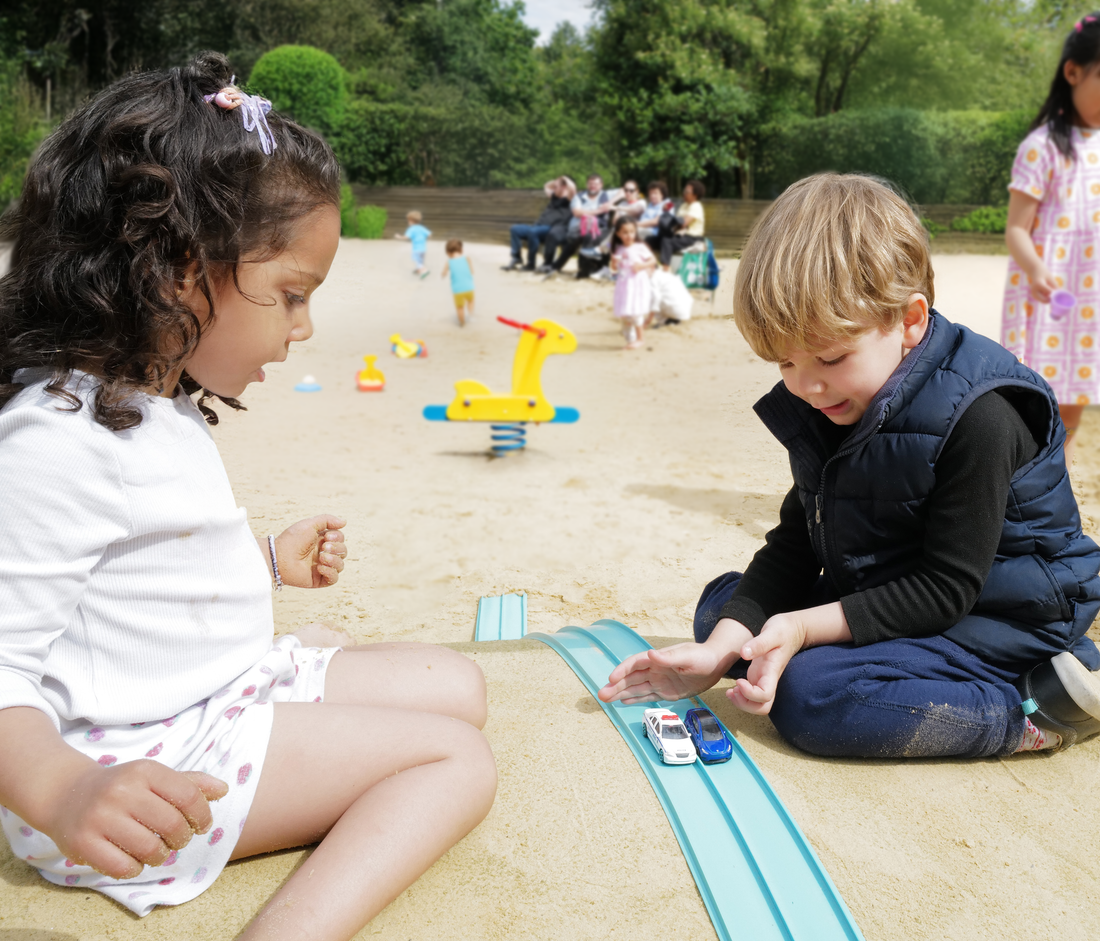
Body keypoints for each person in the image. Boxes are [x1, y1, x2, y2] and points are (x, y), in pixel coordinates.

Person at [0, 53, 496, 940]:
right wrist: (65, 789)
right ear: (180, 270)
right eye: (290, 295)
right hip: (137, 766)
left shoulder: (151, 397)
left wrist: (264, 562)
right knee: (455, 757)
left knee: (455, 683)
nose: (302, 329)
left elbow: (138, 574)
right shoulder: (56, 437)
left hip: (208, 691)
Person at [600, 173, 1100, 758]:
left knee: (813, 697)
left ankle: (1032, 712)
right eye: (785, 361)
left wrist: (803, 630)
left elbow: (946, 588)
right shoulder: (833, 400)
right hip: (887, 581)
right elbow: (795, 542)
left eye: (831, 356)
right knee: (722, 611)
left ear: (910, 320)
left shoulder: (982, 417)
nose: (806, 385)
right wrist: (719, 654)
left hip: (999, 618)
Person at [1002, 13, 1100, 464]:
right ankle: (1028, 478)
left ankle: (1053, 476)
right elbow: (1017, 229)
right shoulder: (1042, 147)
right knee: (1039, 398)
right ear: (1073, 72)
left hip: (1091, 298)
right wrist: (1038, 269)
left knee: (1079, 395)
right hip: (1048, 298)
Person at [543, 173, 614, 276]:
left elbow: (622, 191)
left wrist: (610, 203)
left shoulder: (607, 194)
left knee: (586, 237)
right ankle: (556, 266)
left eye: (596, 184)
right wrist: (598, 210)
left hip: (600, 229)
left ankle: (583, 270)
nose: (592, 186)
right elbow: (577, 212)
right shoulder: (579, 196)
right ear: (586, 184)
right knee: (575, 238)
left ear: (601, 185)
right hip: (578, 229)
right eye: (590, 184)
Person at [503, 176, 575, 272]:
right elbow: (546, 186)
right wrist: (556, 182)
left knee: (533, 232)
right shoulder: (554, 197)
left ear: (564, 187)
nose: (553, 188)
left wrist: (564, 178)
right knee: (515, 229)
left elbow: (573, 189)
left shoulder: (570, 199)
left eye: (556, 187)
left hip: (550, 229)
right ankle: (516, 258)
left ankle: (531, 264)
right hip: (537, 226)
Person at [609, 218, 656, 349]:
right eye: (625, 232)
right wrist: (613, 262)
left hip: (637, 283)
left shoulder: (640, 247)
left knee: (635, 310)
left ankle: (640, 338)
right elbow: (614, 268)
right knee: (626, 311)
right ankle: (631, 336)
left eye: (632, 231)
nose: (629, 235)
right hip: (624, 284)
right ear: (618, 233)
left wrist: (641, 265)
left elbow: (653, 260)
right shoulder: (618, 249)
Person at [647, 179, 706, 269]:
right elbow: (675, 221)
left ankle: (665, 270)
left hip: (692, 238)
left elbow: (683, 223)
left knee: (667, 240)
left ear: (695, 195)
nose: (684, 193)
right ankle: (651, 267)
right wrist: (666, 213)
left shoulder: (696, 206)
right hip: (680, 235)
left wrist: (667, 222)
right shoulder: (684, 205)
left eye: (687, 191)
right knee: (650, 240)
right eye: (684, 190)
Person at [441, 238, 475, 326]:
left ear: (448, 252)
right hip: (469, 287)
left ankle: (462, 322)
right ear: (461, 250)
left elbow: (443, 273)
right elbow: (472, 271)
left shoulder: (449, 261)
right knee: (470, 301)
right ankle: (470, 316)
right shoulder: (467, 258)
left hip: (457, 290)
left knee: (460, 307)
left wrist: (443, 274)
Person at [395, 210, 431, 277]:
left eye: (408, 221)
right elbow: (429, 234)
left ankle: (424, 270)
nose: (408, 222)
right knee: (421, 260)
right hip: (423, 249)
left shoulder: (411, 229)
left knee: (417, 260)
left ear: (411, 221)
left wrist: (399, 237)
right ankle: (418, 269)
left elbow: (406, 237)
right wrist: (424, 238)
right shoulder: (422, 228)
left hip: (416, 249)